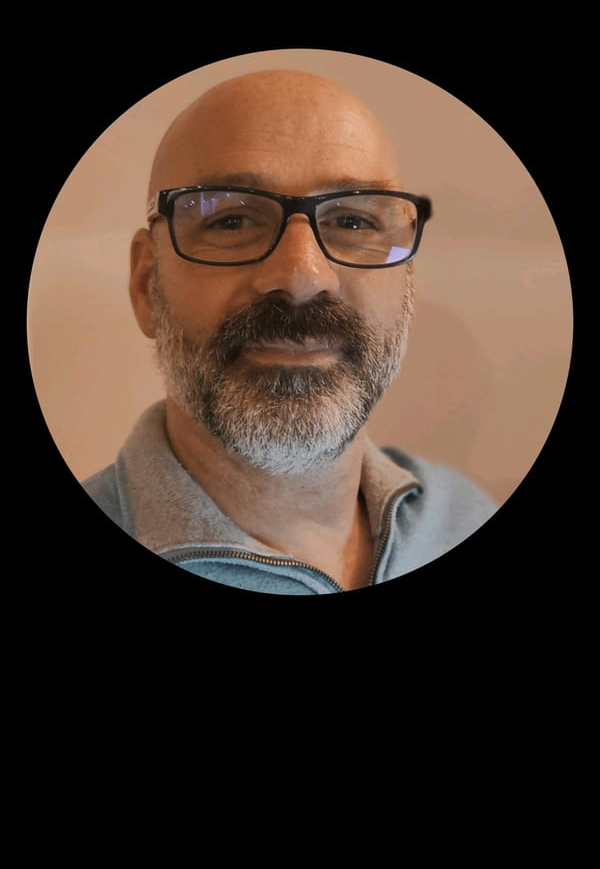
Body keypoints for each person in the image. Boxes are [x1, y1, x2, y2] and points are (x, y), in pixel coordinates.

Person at [83, 68, 497, 593]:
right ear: (147, 285)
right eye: (231, 220)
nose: (302, 277)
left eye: (353, 222)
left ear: (408, 280)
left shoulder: (463, 516)